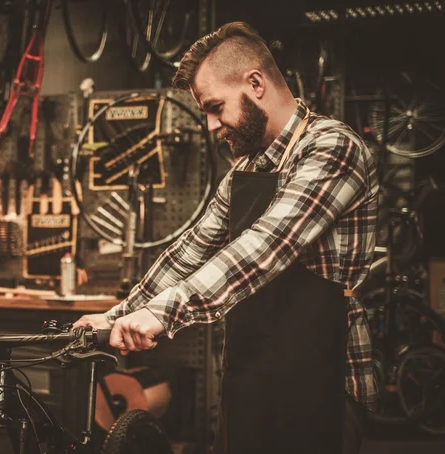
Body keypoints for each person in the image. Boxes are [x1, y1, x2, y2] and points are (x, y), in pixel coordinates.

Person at [75, 21, 378, 454]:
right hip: (252, 374)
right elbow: (192, 250)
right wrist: (117, 315)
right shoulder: (245, 170)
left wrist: (165, 313)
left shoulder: (333, 148)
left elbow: (266, 247)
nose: (213, 124)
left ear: (255, 84)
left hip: (321, 379)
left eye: (216, 106)